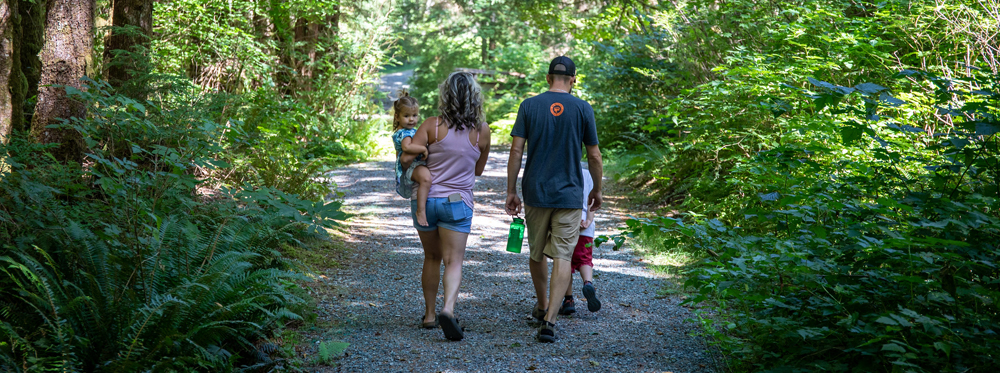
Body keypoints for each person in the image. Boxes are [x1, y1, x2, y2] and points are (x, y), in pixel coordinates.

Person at [505, 56, 603, 343]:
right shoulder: (583, 108)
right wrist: (596, 189)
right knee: (562, 255)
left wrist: (511, 190)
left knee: (536, 253)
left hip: (536, 192)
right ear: (573, 79)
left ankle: (543, 304)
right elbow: (594, 156)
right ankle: (550, 321)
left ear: (548, 78)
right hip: (571, 194)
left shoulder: (529, 106)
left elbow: (515, 152)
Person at [404, 72, 491, 341]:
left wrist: (426, 154)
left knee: (431, 258)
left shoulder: (431, 125)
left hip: (427, 201)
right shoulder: (482, 131)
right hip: (458, 203)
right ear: (475, 98)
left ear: (446, 95)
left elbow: (406, 159)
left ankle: (430, 316)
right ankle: (448, 310)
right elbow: (478, 171)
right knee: (454, 261)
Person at [558, 162, 602, 315]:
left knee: (565, 261)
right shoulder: (589, 173)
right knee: (584, 259)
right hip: (586, 225)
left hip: (568, 221)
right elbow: (592, 200)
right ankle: (588, 283)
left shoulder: (564, 169)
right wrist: (588, 220)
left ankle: (568, 300)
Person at [391, 90, 432, 226]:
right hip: (411, 166)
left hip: (414, 164)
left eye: (414, 115)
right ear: (397, 117)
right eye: (406, 116)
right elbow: (407, 148)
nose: (411, 119)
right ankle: (420, 211)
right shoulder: (404, 133)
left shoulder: (411, 130)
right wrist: (423, 148)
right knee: (425, 179)